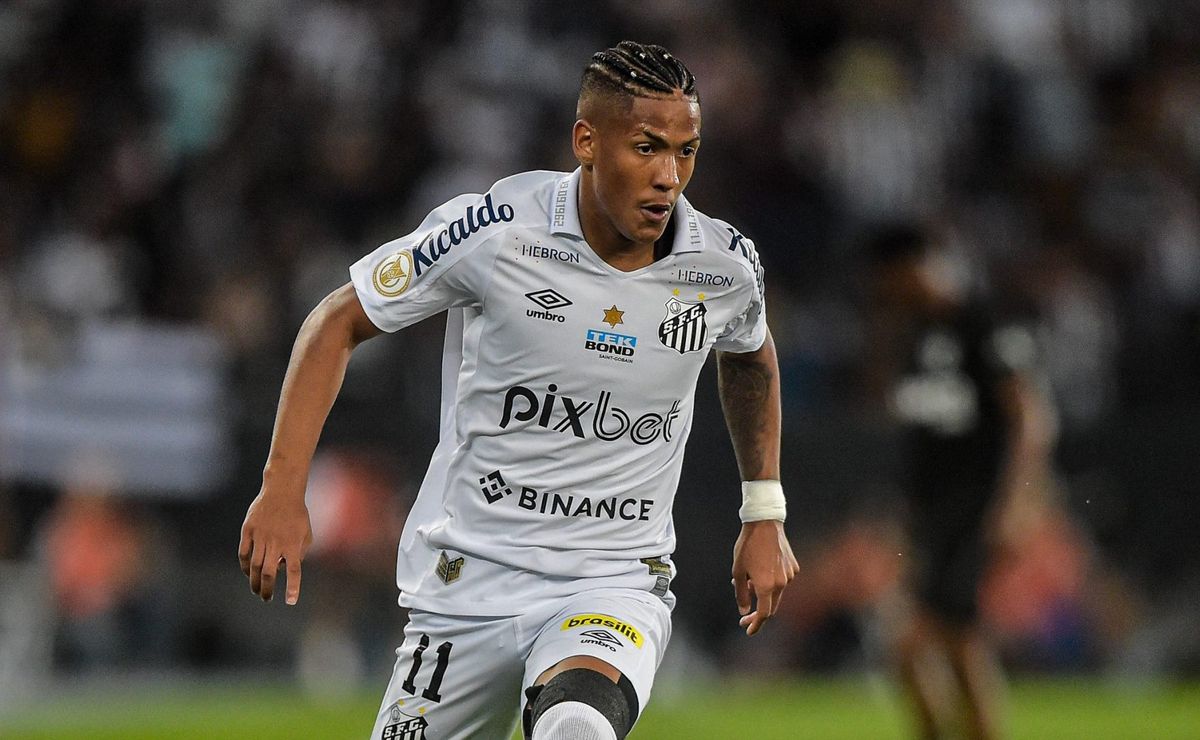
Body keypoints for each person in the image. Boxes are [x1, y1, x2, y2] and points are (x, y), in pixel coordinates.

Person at [238, 41, 797, 740]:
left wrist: (764, 511)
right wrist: (282, 489)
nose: (668, 178)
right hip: (466, 581)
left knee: (575, 726)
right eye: (646, 148)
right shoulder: (497, 231)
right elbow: (337, 321)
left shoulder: (724, 266)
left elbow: (750, 355)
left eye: (686, 152)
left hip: (611, 580)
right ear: (586, 142)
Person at [862, 224, 1055, 740]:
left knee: (927, 635)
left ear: (915, 265)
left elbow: (1028, 415)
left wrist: (1019, 499)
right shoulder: (915, 334)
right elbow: (916, 430)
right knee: (948, 636)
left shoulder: (982, 321)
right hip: (931, 510)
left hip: (976, 505)